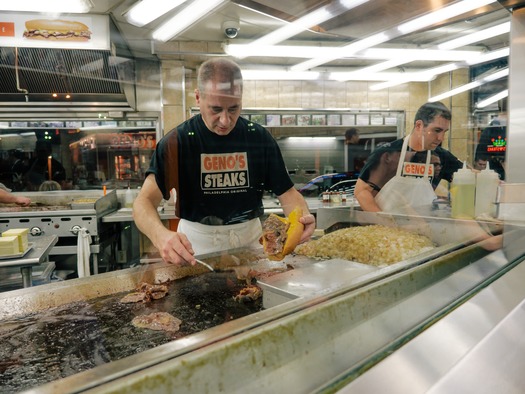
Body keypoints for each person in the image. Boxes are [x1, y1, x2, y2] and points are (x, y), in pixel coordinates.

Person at [133, 58, 315, 266]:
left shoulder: (258, 138)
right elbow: (143, 202)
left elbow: (288, 193)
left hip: (252, 244)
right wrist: (161, 236)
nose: (225, 121)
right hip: (196, 248)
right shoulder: (179, 142)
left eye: (233, 109)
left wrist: (302, 217)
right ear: (198, 98)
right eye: (216, 109)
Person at [354, 102, 463, 212]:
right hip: (387, 226)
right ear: (419, 126)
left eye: (444, 132)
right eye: (437, 130)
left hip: (422, 226)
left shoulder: (442, 156)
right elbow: (361, 191)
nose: (441, 138)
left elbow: (470, 177)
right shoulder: (388, 154)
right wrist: (383, 220)